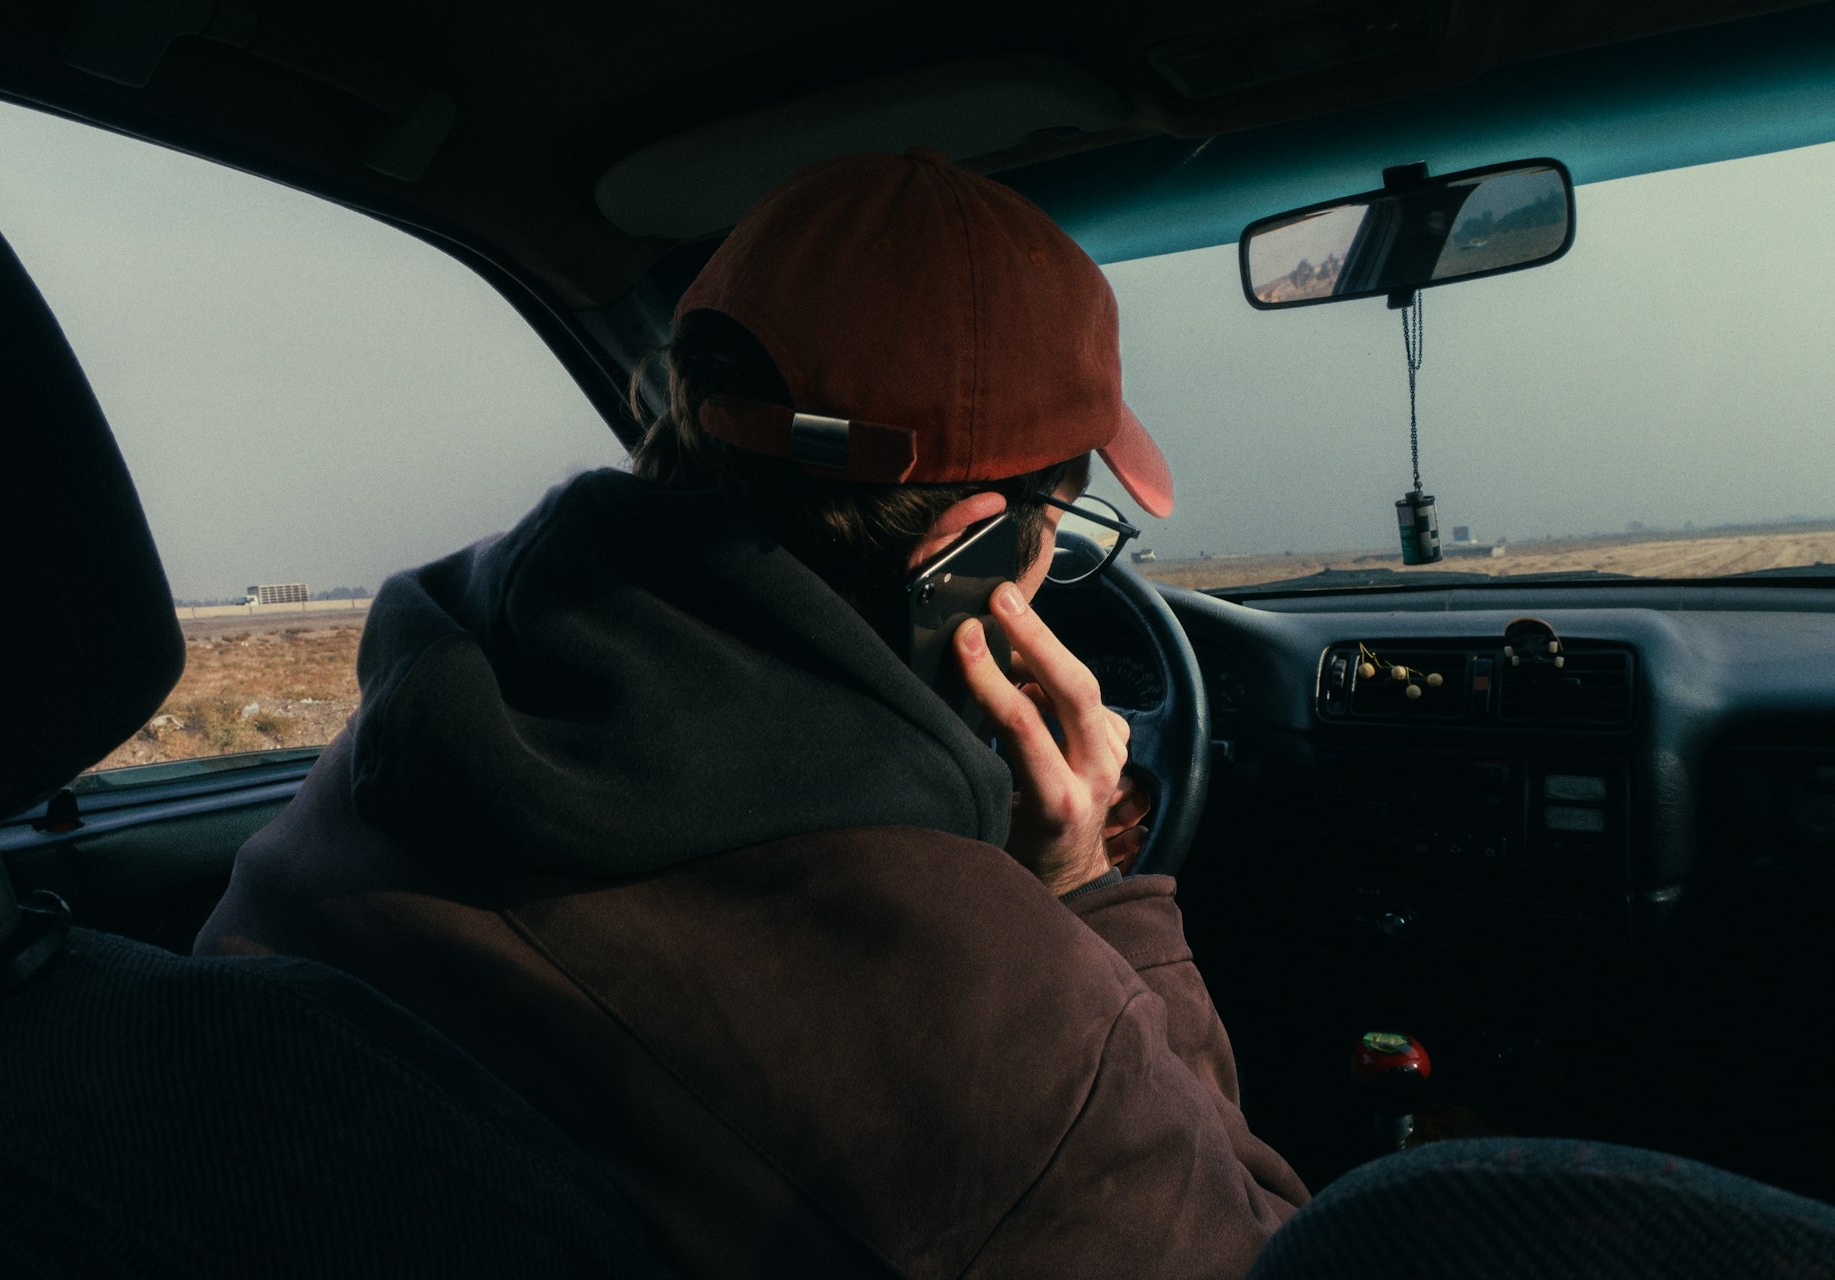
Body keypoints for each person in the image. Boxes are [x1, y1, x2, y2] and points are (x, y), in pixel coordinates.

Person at [196, 148, 1308, 1277]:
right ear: (964, 549)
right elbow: (1264, 1253)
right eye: (1060, 528)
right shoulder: (1000, 1022)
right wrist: (1086, 892)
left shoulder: (394, 751)